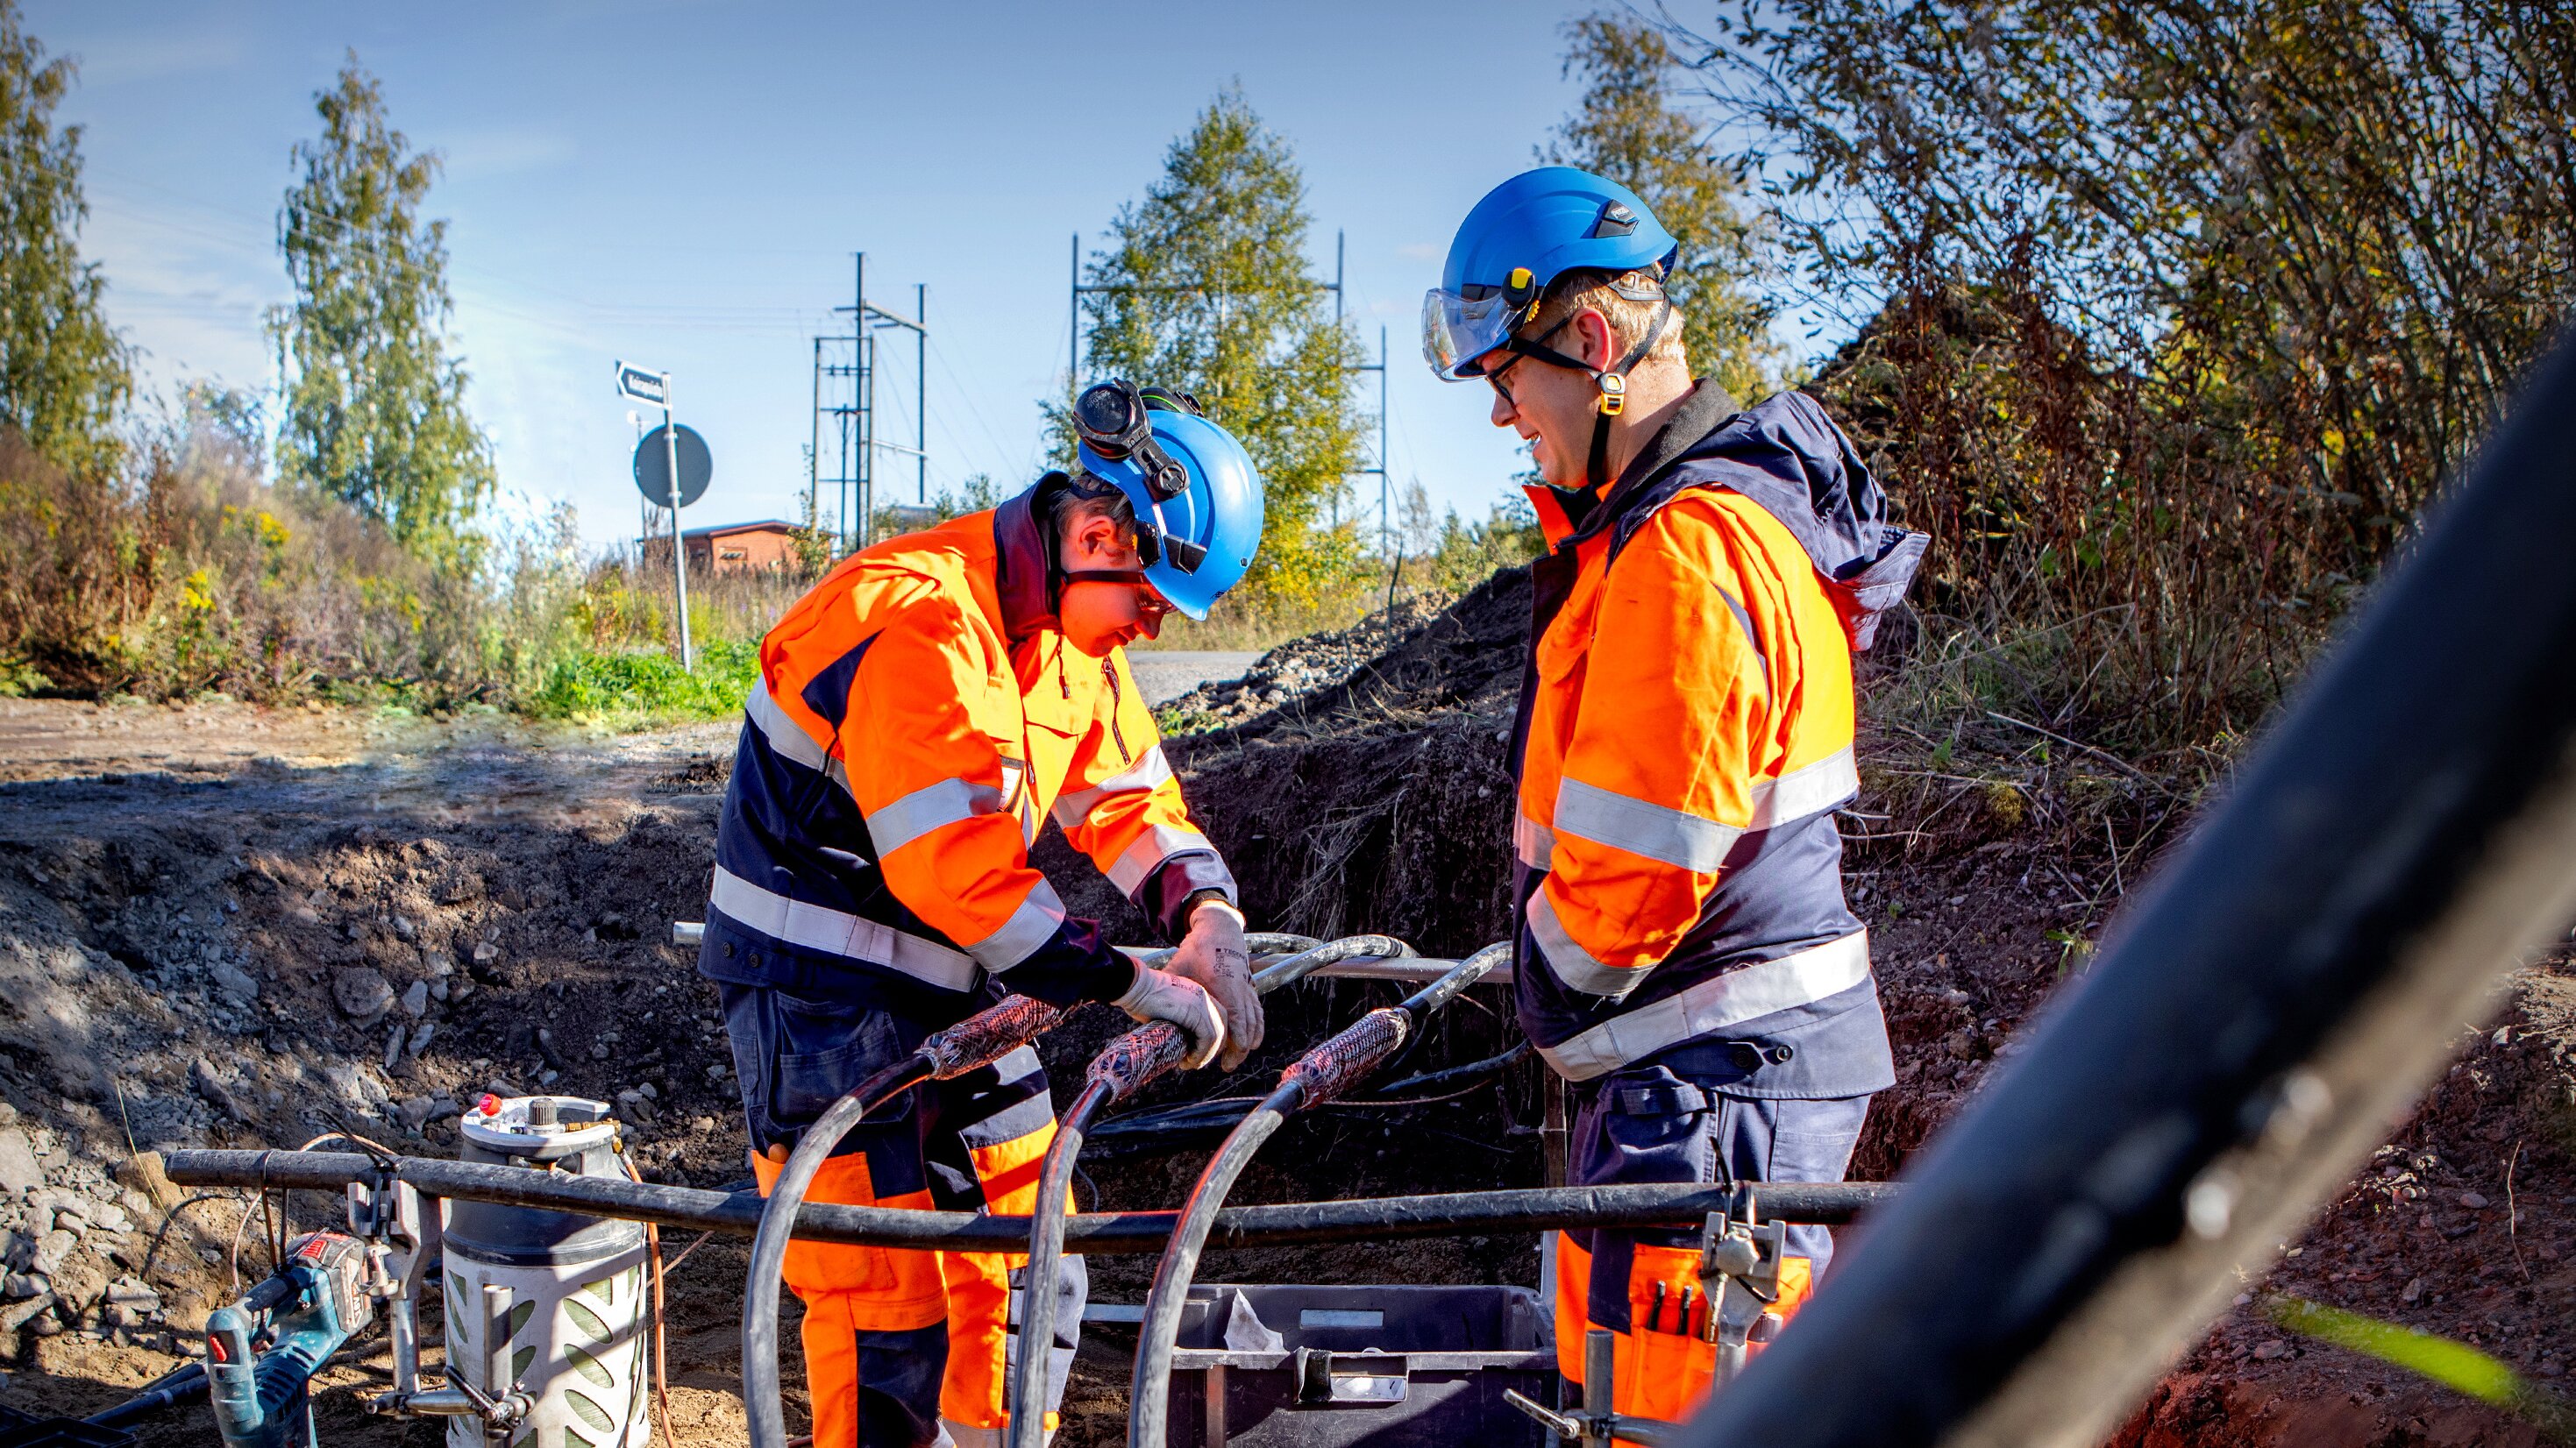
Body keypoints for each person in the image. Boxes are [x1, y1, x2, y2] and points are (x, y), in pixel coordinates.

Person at [1423, 167, 1926, 1419]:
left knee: (1676, 1420)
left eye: (1507, 380)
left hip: (1715, 1092)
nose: (1502, 418)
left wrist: (1545, 986)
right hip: (1706, 1073)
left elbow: (1638, 868)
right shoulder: (1674, 530)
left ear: (1590, 346)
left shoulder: (1685, 553)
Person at [699, 380, 1268, 1448]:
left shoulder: (1065, 635)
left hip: (953, 984)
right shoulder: (923, 620)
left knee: (1029, 1265)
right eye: (1151, 601)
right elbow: (962, 881)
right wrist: (1148, 990)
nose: (1149, 629)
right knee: (888, 1322)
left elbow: (1132, 800)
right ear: (1099, 535)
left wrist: (1211, 919)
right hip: (820, 1006)